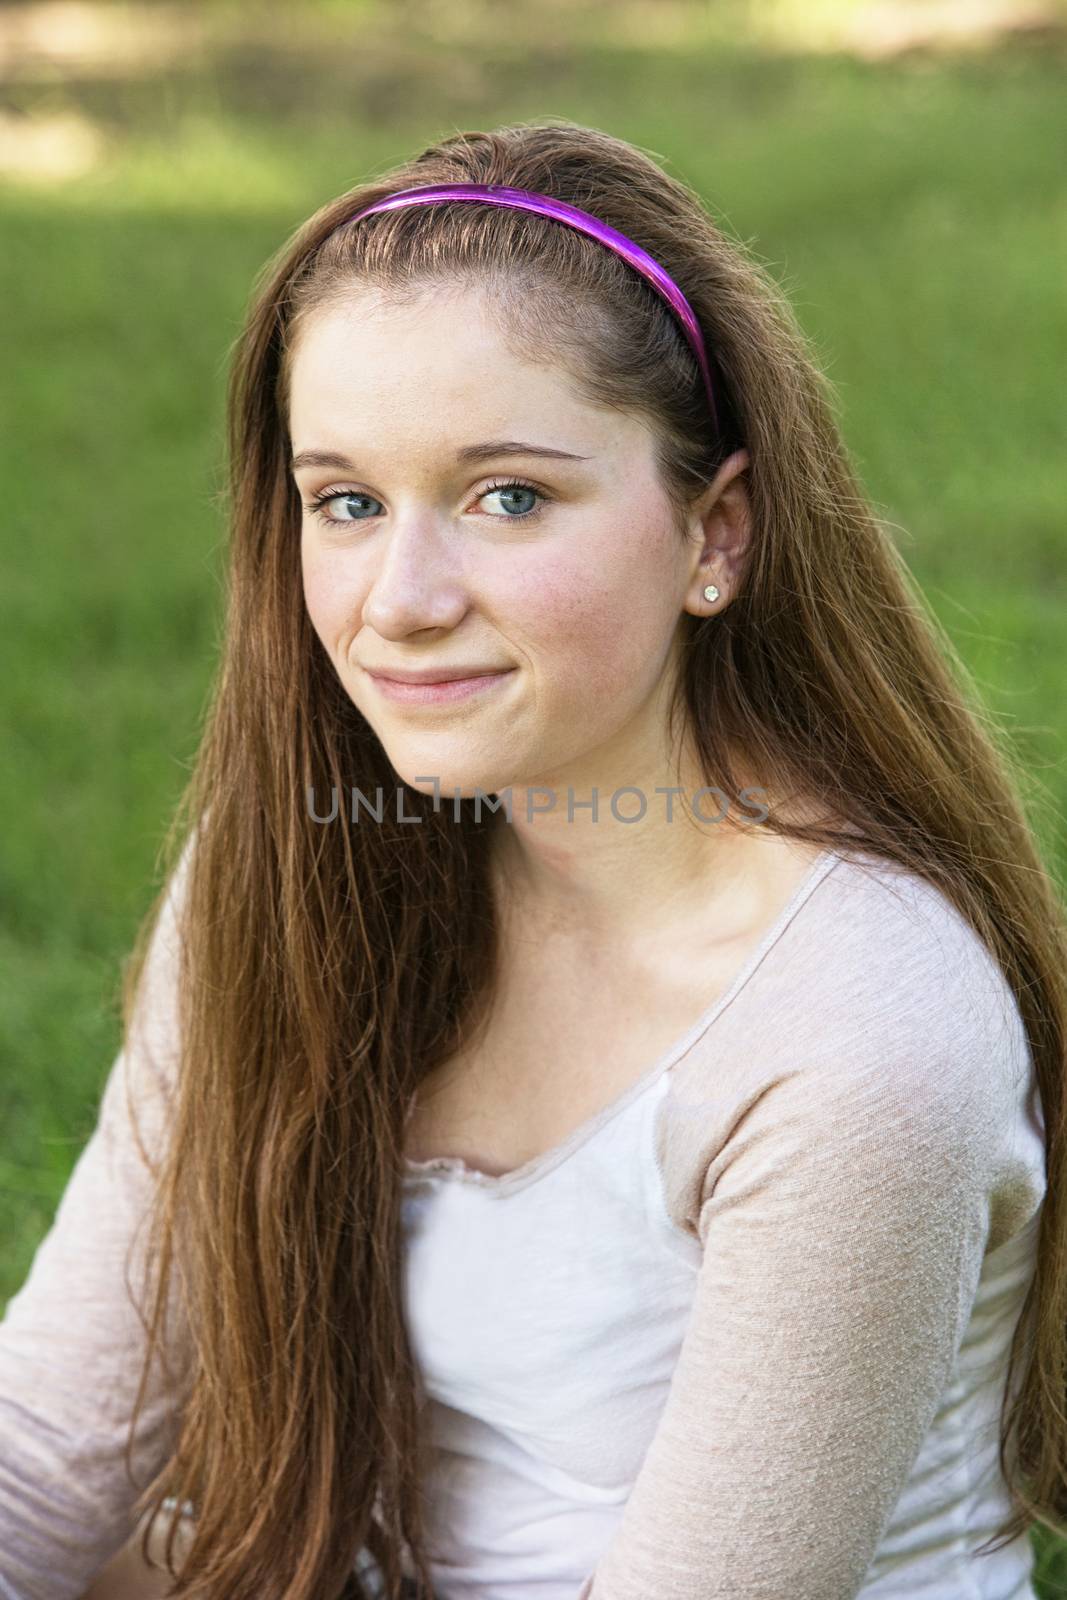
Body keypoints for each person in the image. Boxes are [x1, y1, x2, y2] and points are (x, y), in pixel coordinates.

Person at [1, 117, 1065, 1600]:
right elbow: (54, 1439)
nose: (402, 599)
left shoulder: (859, 1035)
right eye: (347, 503)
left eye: (509, 497)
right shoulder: (310, 876)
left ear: (718, 532)